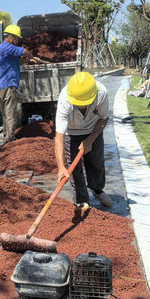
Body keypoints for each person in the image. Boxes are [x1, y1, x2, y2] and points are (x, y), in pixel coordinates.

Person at [54, 71, 113, 210]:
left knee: (96, 161)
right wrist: (61, 167)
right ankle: (81, 200)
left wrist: (90, 140)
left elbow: (104, 118)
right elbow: (59, 137)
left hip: (94, 129)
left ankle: (97, 189)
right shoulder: (64, 99)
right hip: (71, 132)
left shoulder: (101, 93)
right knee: (74, 169)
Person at [0, 24, 43, 142]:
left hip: (0, 86)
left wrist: (29, 60)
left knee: (6, 113)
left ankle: (6, 135)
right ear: (10, 37)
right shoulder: (7, 47)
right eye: (16, 39)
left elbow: (17, 62)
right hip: (8, 85)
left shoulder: (5, 50)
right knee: (11, 113)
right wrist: (32, 56)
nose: (17, 41)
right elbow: (24, 51)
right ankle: (11, 138)